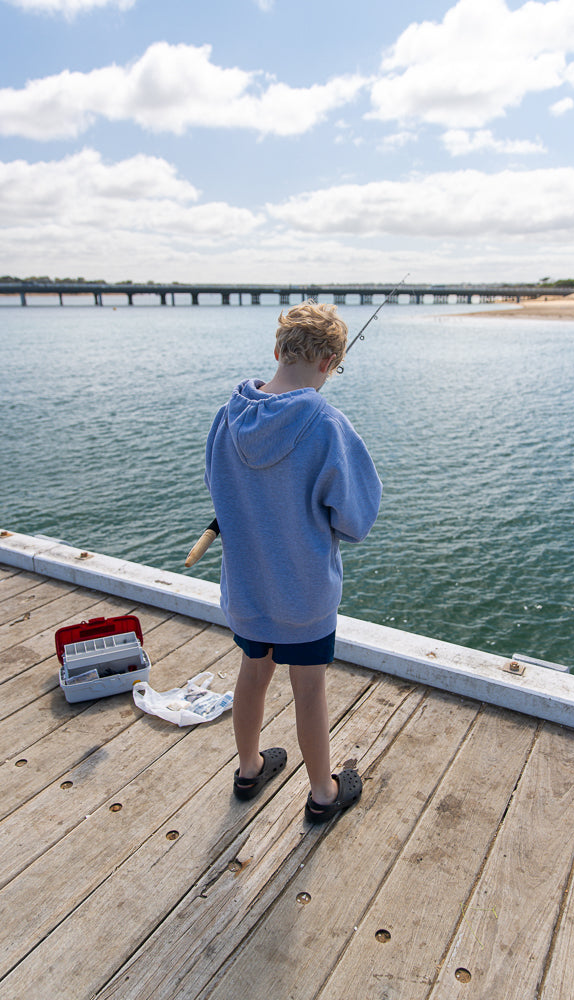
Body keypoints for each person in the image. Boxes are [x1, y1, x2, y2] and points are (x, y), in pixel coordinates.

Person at [205, 300, 382, 822]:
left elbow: (221, 490)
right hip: (303, 594)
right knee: (308, 689)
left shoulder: (226, 416)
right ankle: (324, 793)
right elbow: (356, 520)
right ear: (329, 363)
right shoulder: (327, 424)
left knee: (252, 672)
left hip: (248, 589)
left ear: (278, 350)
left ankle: (248, 767)